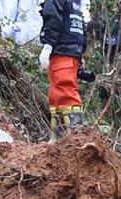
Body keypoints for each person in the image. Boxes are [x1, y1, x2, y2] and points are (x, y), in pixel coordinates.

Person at [39, 0, 88, 141]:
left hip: (62, 49)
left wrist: (47, 45)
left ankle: (77, 140)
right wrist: (80, 53)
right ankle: (59, 141)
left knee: (65, 93)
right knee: (57, 96)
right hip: (71, 51)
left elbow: (53, 18)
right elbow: (80, 26)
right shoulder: (75, 2)